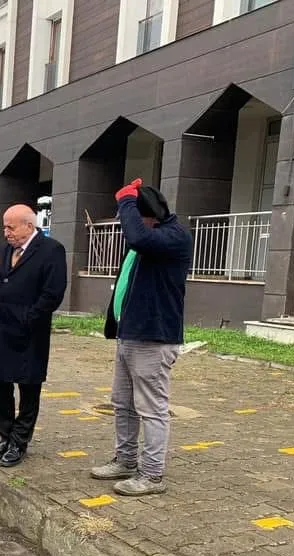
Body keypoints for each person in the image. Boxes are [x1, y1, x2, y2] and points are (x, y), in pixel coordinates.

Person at [90, 179, 192, 496]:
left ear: (153, 216)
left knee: (152, 409)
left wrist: (126, 201)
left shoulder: (172, 237)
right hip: (129, 335)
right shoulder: (145, 242)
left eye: (136, 216)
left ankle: (151, 475)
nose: (129, 226)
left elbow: (136, 234)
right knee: (122, 404)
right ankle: (125, 460)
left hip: (154, 338)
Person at [0, 204, 68, 468]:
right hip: (2, 328)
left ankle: (20, 441)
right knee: (0, 383)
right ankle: (5, 436)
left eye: (11, 227)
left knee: (29, 387)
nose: (6, 232)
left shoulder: (51, 251)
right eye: (4, 226)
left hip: (30, 331)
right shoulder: (5, 249)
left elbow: (53, 293)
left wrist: (30, 318)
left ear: (29, 226)